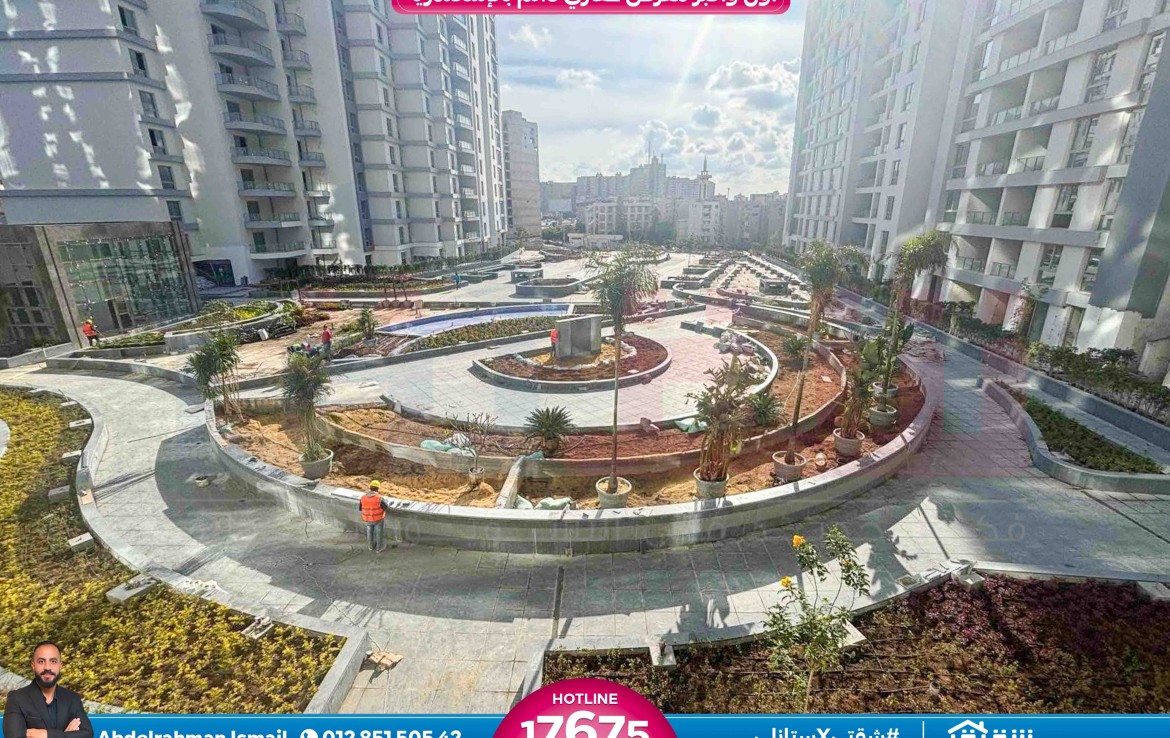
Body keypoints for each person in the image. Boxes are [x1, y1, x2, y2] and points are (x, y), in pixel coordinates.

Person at [3, 641, 92, 738]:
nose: (47, 667)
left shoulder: (72, 699)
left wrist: (44, 734)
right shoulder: (17, 698)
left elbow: (87, 734)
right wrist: (66, 735)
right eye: (41, 661)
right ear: (33, 666)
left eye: (53, 661)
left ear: (60, 665)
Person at [358, 480, 390, 553]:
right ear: (377, 488)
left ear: (370, 488)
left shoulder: (363, 497)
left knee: (369, 532)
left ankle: (371, 547)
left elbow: (360, 508)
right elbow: (386, 507)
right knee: (379, 533)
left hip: (367, 519)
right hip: (378, 519)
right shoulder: (379, 498)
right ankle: (379, 548)